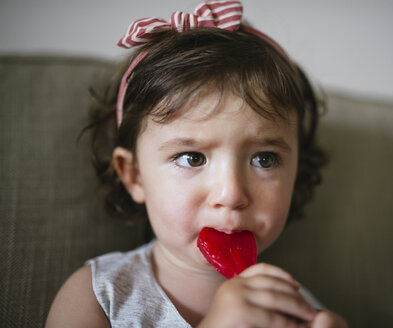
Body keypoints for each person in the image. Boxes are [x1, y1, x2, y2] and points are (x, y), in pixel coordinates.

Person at [46, 1, 348, 327]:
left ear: (296, 173)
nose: (231, 194)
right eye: (193, 158)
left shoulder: (291, 304)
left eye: (264, 159)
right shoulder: (96, 294)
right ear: (135, 177)